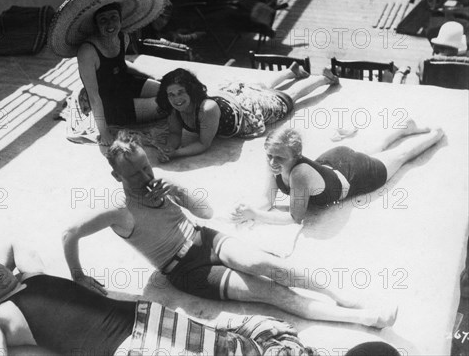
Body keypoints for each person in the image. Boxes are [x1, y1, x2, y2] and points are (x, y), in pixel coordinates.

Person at [63, 130, 397, 328]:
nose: (144, 177)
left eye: (144, 167)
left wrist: (179, 190)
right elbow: (70, 232)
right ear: (117, 177)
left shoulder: (162, 183)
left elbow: (207, 212)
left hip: (204, 238)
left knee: (271, 266)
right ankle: (366, 319)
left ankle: (344, 298)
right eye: (133, 174)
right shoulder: (116, 209)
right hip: (184, 269)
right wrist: (78, 275)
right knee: (273, 295)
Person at [0, 243, 314, 355]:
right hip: (128, 348)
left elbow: (18, 246)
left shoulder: (32, 276)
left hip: (148, 316)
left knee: (236, 348)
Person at [232, 122, 444, 224]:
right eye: (269, 155)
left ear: (296, 155)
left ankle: (435, 133)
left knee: (402, 155)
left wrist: (256, 215)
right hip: (332, 161)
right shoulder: (274, 160)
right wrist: (247, 212)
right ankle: (402, 129)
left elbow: (295, 217)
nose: (272, 161)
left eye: (279, 157)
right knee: (374, 150)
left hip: (355, 174)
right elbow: (267, 197)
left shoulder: (299, 175)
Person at [49, 0, 170, 145]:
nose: (110, 24)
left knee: (170, 91)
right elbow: (93, 95)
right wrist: (104, 132)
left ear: (121, 20)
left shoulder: (123, 37)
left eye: (114, 18)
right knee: (165, 105)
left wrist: (151, 77)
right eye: (103, 20)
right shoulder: (87, 52)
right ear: (96, 25)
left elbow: (122, 67)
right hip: (109, 103)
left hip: (126, 84)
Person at [155, 66, 338, 161]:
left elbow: (204, 144)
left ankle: (323, 79)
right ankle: (290, 72)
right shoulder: (174, 109)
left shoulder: (206, 109)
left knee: (287, 99)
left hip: (247, 112)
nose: (176, 99)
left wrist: (176, 154)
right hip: (231, 99)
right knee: (260, 87)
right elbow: (174, 133)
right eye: (171, 94)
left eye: (181, 92)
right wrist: (169, 148)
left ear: (191, 90)